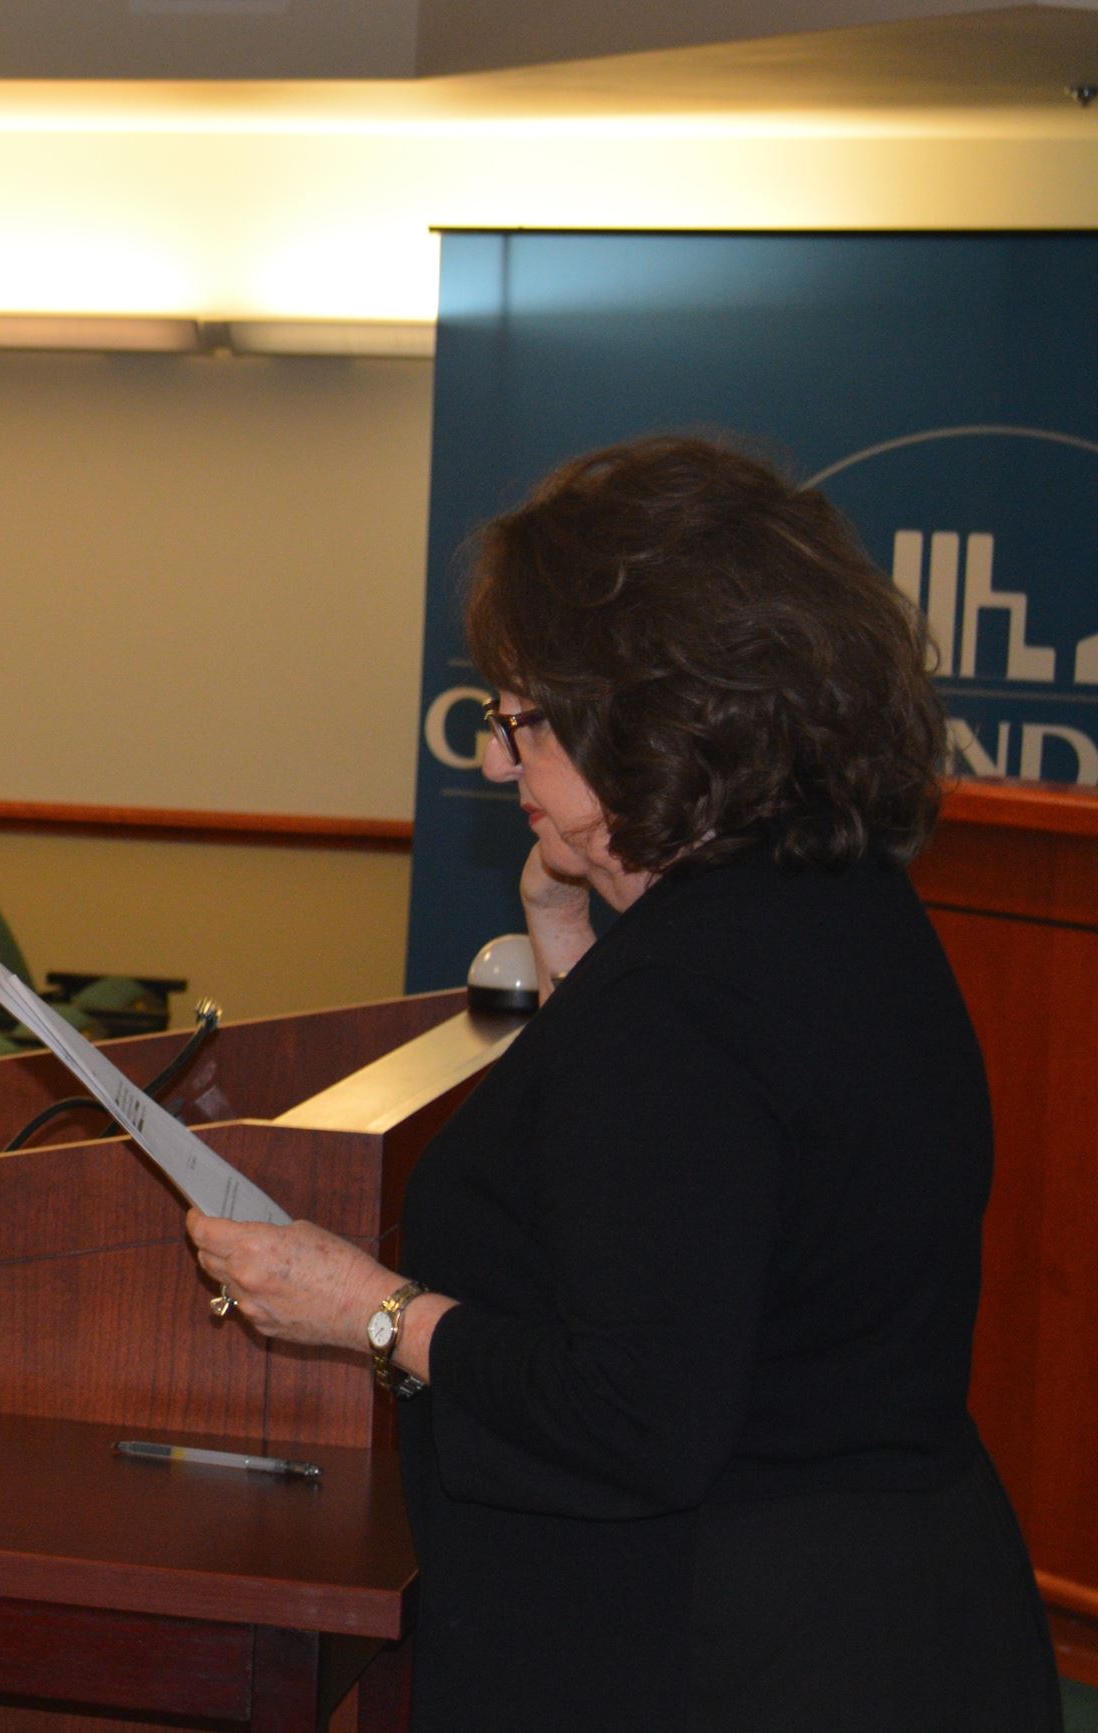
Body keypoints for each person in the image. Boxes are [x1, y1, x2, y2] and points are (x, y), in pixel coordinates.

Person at [188, 437, 1060, 1732]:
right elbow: (717, 1208)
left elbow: (629, 1413)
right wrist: (583, 947)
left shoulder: (683, 1003)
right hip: (898, 1609)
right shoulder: (842, 905)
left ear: (659, 722)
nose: (498, 764)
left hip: (712, 1655)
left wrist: (369, 1311)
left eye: (526, 720)